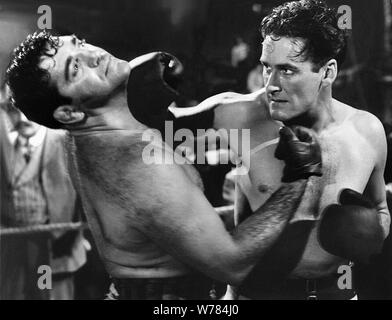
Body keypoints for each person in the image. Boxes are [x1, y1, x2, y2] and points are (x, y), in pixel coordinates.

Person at [6, 31, 322, 300]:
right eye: (75, 68)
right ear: (68, 114)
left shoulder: (89, 134)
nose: (93, 55)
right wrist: (299, 178)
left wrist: (265, 95)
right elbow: (233, 263)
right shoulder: (136, 167)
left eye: (79, 43)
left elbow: (175, 126)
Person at [157, 0, 390, 299]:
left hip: (336, 292)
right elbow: (155, 130)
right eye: (267, 68)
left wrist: (372, 233)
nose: (271, 84)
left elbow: (380, 208)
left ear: (328, 71)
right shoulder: (238, 114)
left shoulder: (367, 130)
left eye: (287, 71)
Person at [0, 85, 86, 300]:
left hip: (53, 247)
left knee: (47, 292)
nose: (22, 118)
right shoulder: (7, 144)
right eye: (13, 109)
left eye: (29, 109)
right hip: (13, 247)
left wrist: (75, 233)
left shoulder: (64, 139)